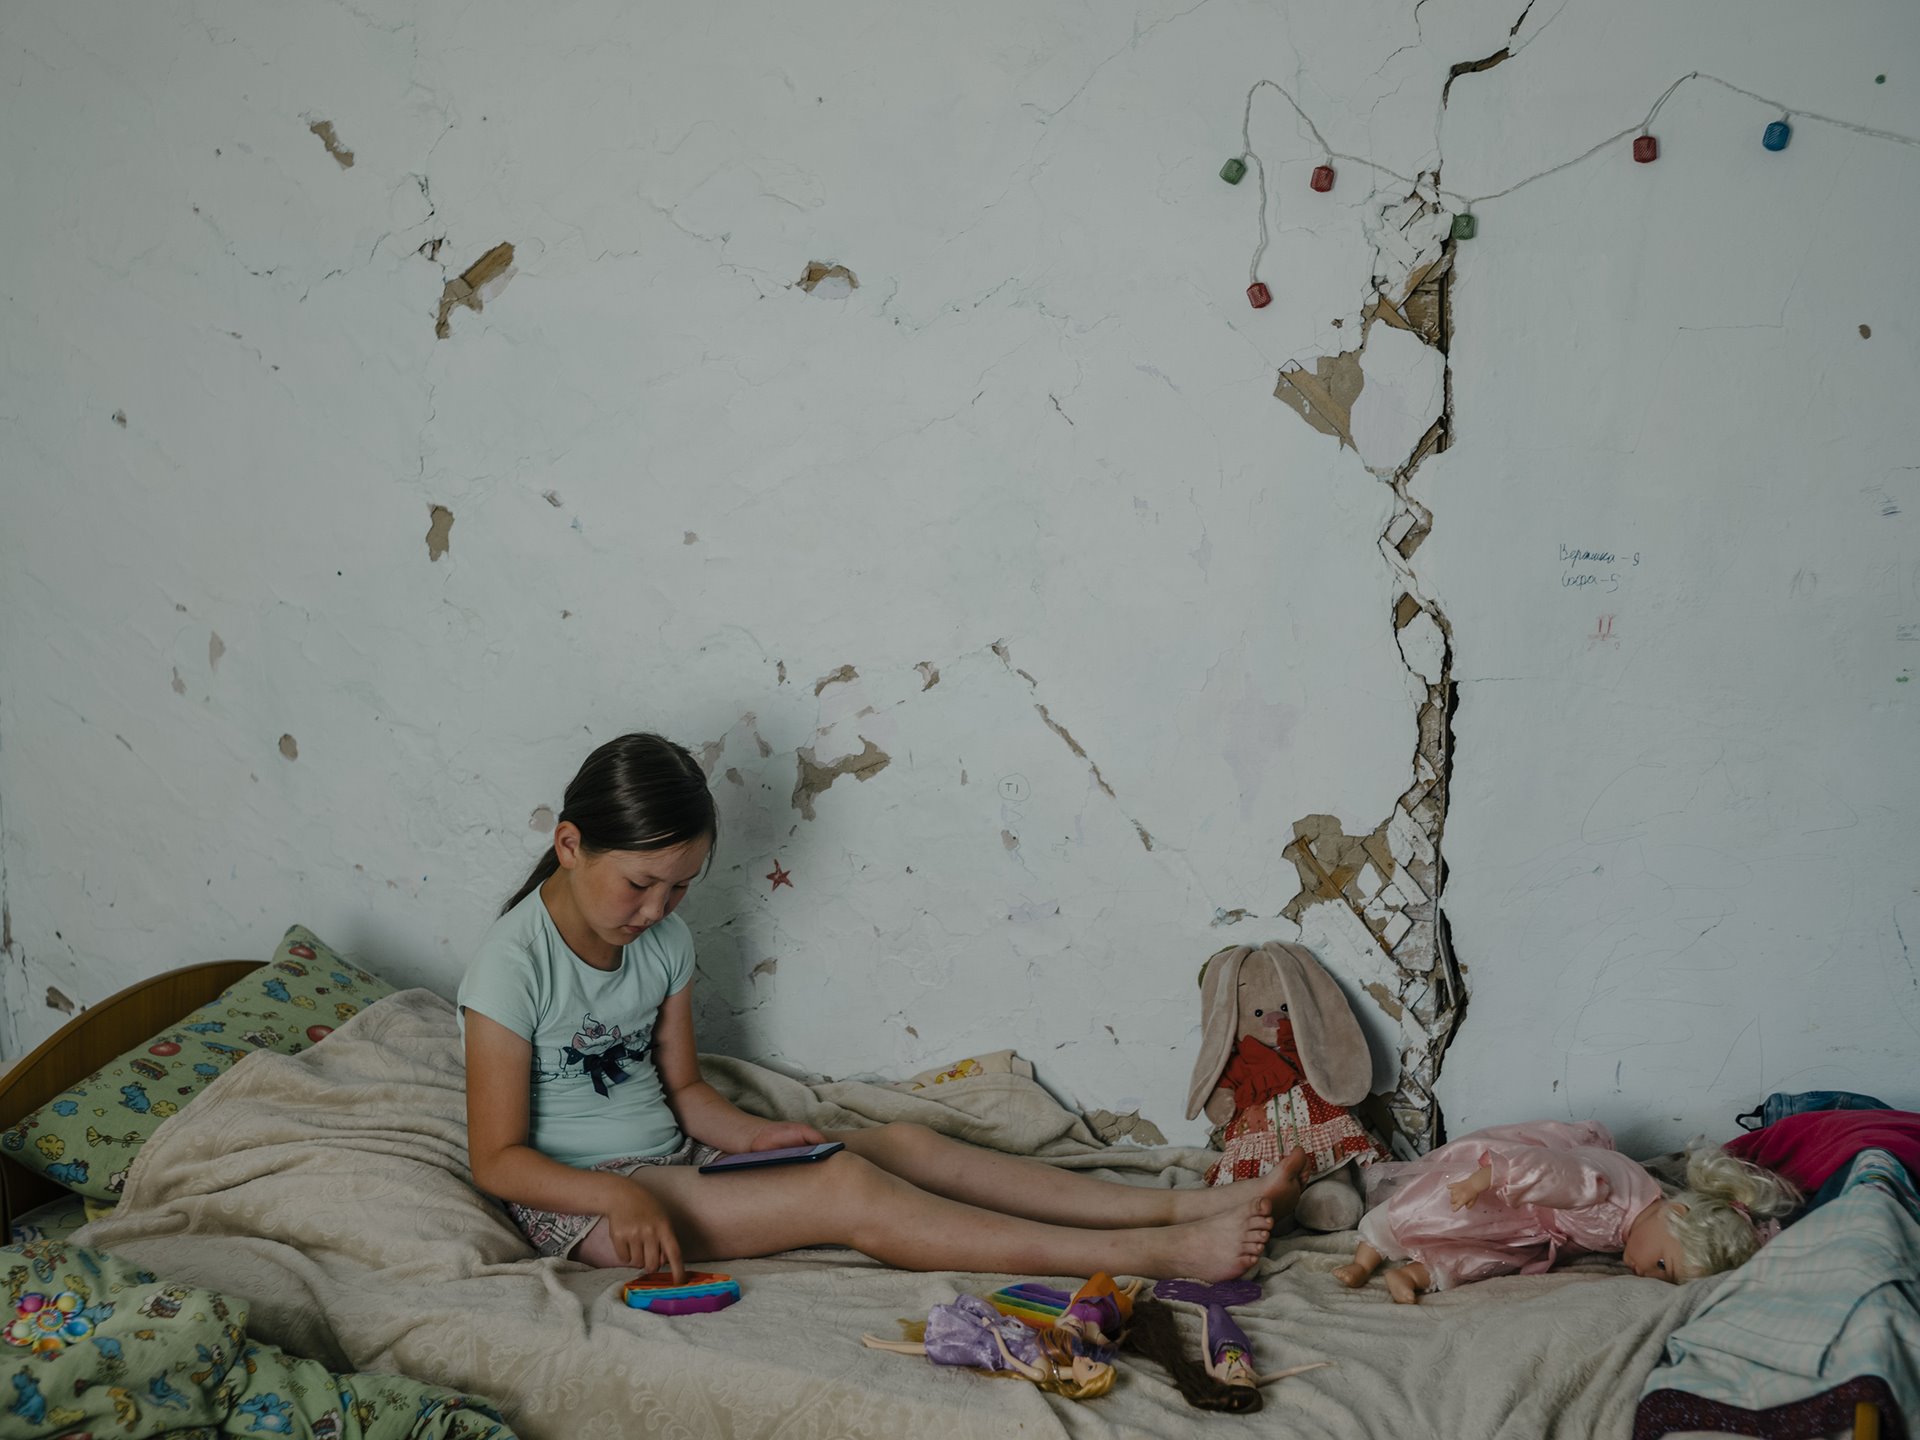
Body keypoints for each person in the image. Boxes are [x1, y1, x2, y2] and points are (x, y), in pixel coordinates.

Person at [461, 732, 1304, 1282]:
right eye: (641, 884)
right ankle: (1153, 1255)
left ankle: (1188, 1202)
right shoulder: (512, 964)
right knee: (851, 1191)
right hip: (579, 1204)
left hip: (672, 1161)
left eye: (679, 888)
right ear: (570, 845)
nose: (656, 910)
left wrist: (757, 1138)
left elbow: (684, 1093)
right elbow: (496, 1160)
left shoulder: (666, 943)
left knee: (899, 1141)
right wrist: (616, 1198)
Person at [1330, 1119, 1798, 1302]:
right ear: (1675, 1215)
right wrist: (1486, 1179)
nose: (1650, 1276)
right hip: (1510, 1192)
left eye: (1665, 1278)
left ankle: (1415, 1275)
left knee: (1496, 1260)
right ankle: (1365, 1257)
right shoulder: (1607, 1190)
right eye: (1662, 1265)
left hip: (1535, 1229)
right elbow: (1550, 1171)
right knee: (1430, 1211)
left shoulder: (1640, 1221)